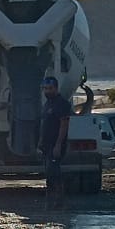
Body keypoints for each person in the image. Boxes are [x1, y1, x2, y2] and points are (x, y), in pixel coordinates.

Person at [38, 75, 70, 210]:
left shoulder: (61, 104)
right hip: (46, 145)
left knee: (54, 173)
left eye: (50, 88)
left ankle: (58, 201)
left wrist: (58, 145)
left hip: (56, 144)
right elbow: (44, 124)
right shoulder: (47, 104)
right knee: (49, 174)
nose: (47, 91)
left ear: (56, 88)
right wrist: (40, 143)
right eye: (45, 89)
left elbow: (64, 125)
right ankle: (50, 202)